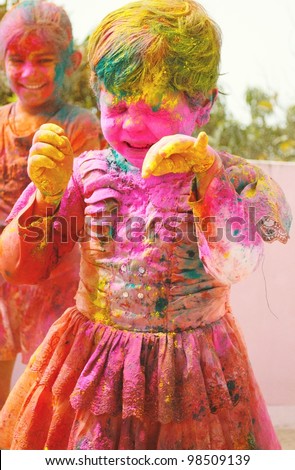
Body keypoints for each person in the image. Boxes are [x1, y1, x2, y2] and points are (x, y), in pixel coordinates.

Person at [0, 0, 291, 450]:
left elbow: (234, 266)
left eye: (155, 105)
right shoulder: (89, 172)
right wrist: (46, 197)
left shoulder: (231, 179)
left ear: (205, 104)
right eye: (115, 107)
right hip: (94, 370)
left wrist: (210, 183)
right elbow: (23, 270)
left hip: (195, 372)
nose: (132, 125)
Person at [0, 0, 104, 408]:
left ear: (71, 61)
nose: (29, 73)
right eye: (17, 60)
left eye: (43, 60)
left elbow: (74, 206)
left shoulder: (78, 124)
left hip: (54, 273)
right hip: (3, 273)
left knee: (50, 391)